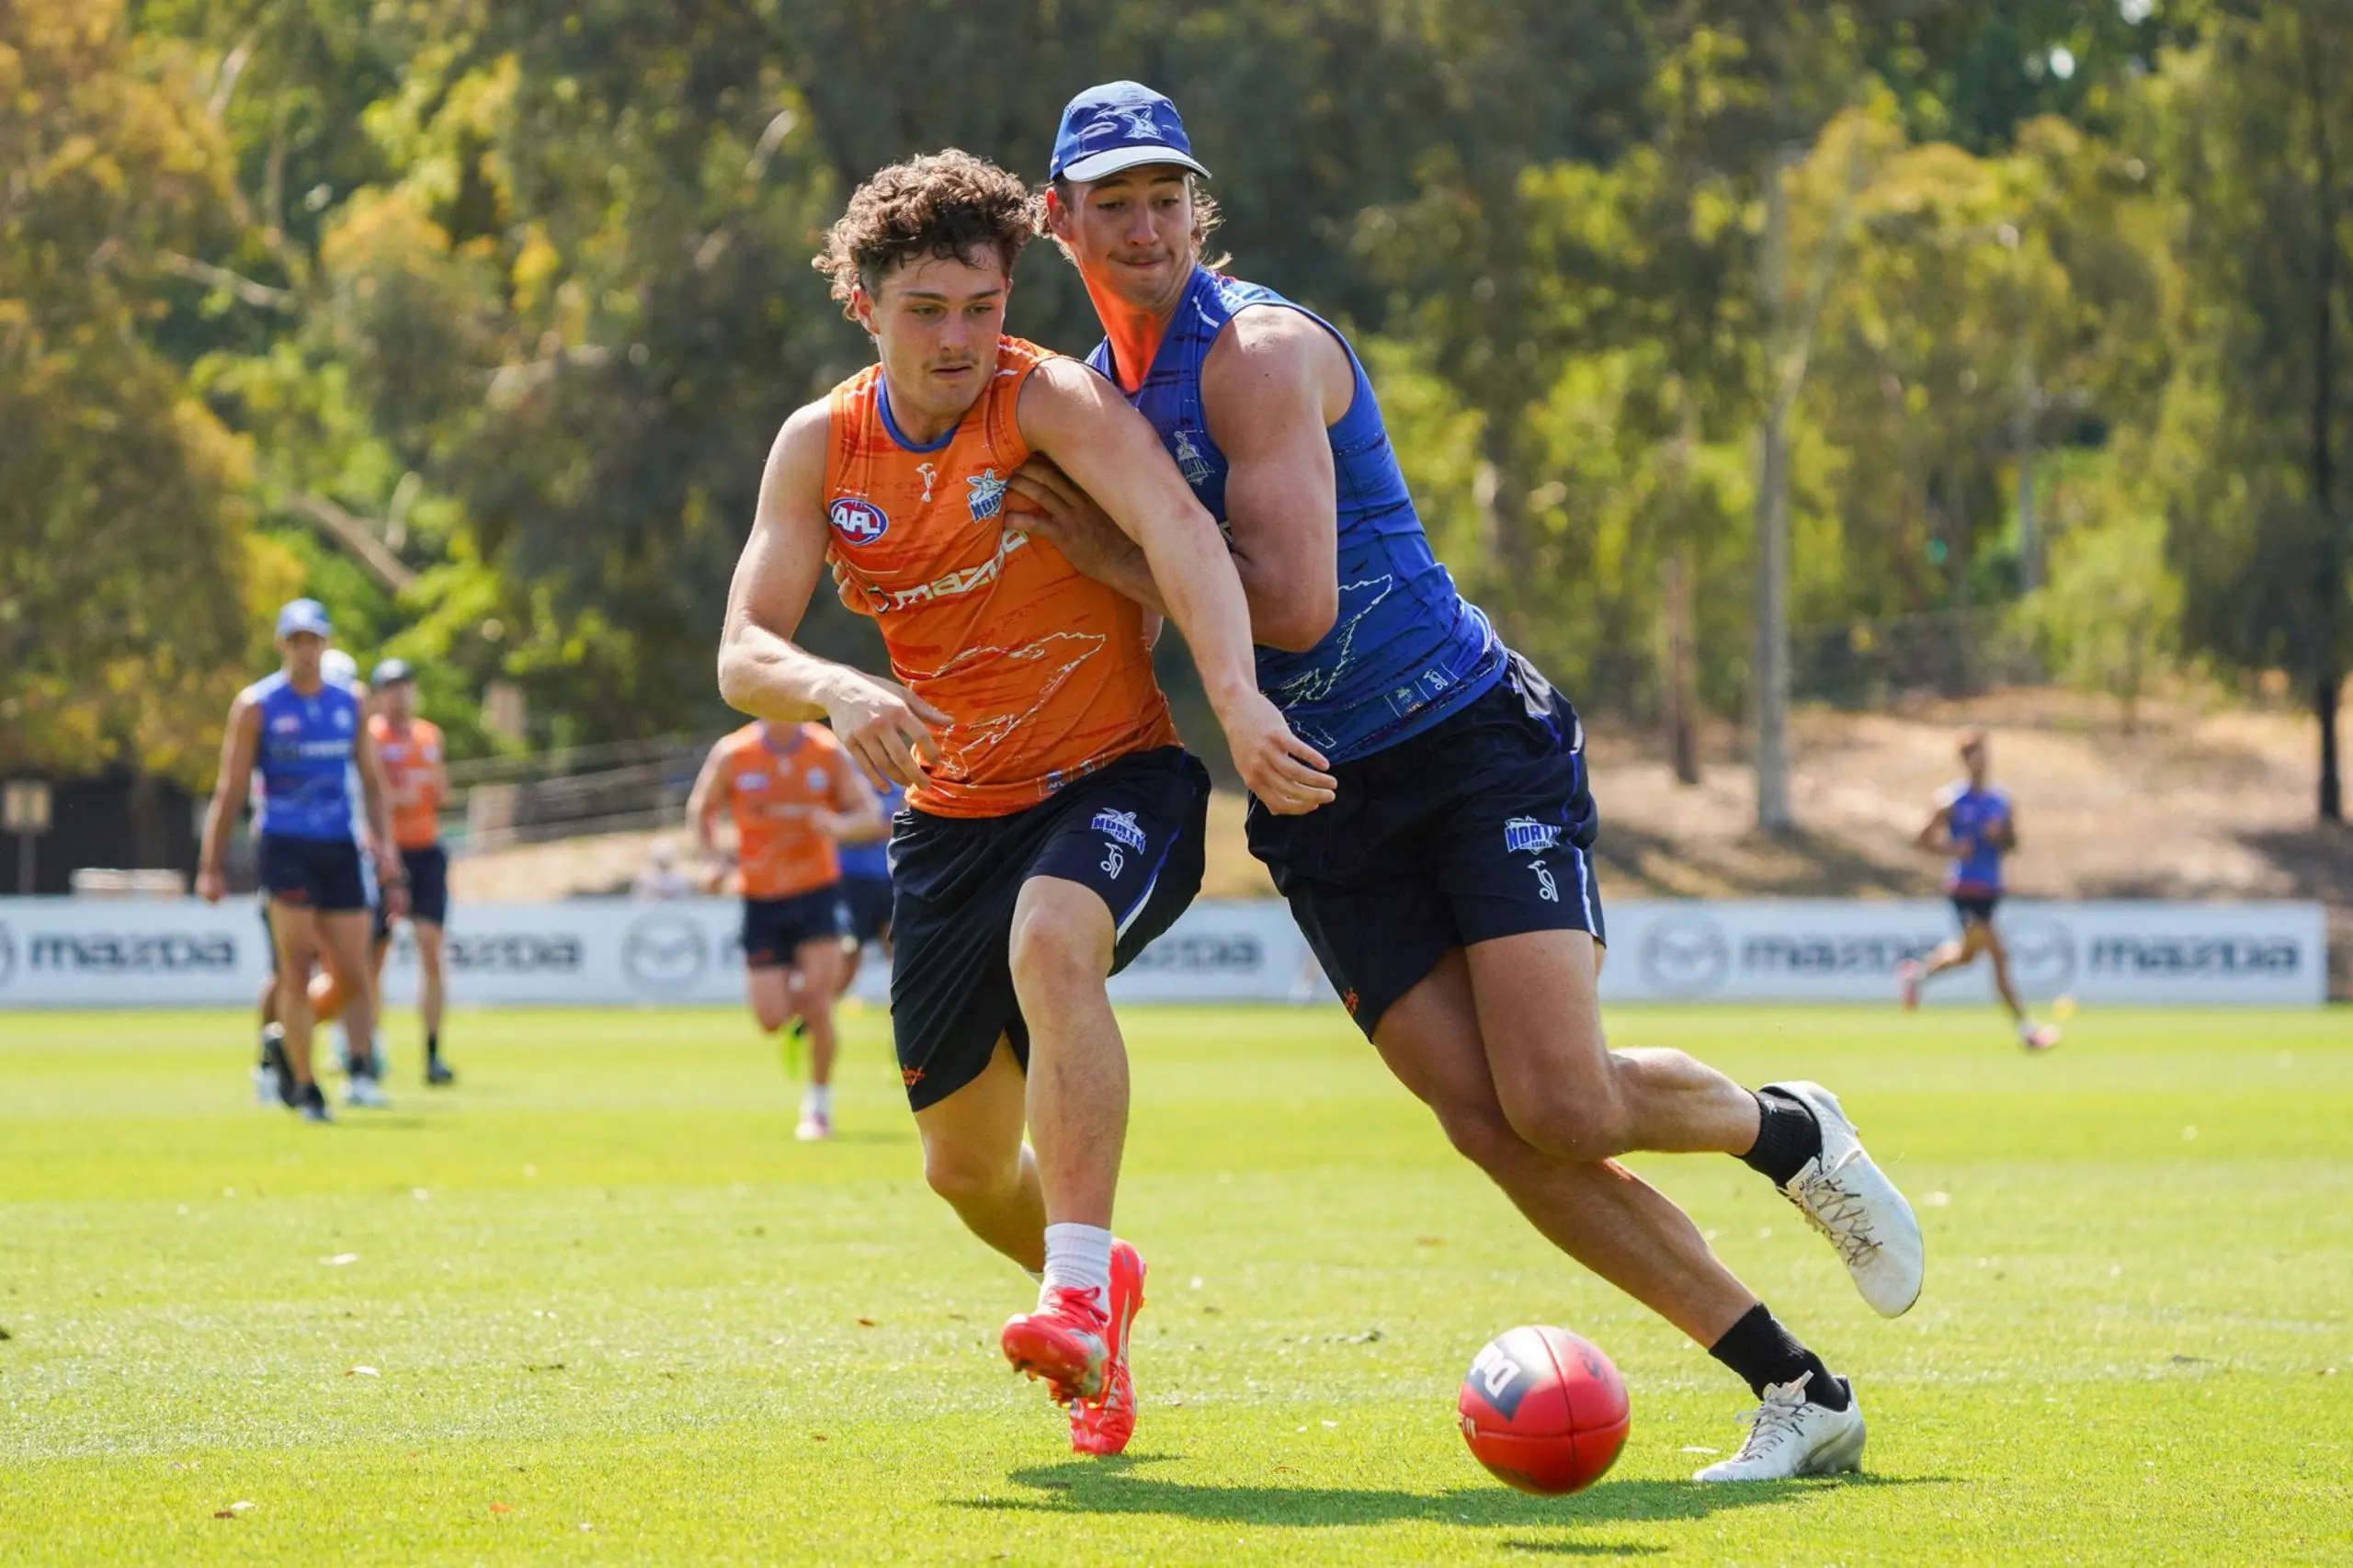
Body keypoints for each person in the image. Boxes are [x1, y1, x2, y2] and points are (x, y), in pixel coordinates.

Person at [1007, 82, 1924, 1483]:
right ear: (1058, 220)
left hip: (1463, 740)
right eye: (1111, 203)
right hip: (1321, 798)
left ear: (1201, 205)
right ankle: (1800, 1390)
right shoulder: (1098, 393)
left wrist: (1117, 558)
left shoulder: (1251, 352)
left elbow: (1298, 607)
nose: (1144, 226)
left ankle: (1785, 1125)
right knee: (1491, 1128)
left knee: (1563, 1098)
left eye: (1165, 197)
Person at [715, 149, 1331, 1457]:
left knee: (1056, 942)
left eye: (982, 306)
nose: (958, 338)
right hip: (947, 822)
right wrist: (836, 686)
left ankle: (1072, 1281)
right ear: (864, 303)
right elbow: (742, 649)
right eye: (926, 309)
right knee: (964, 1170)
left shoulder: (1045, 400)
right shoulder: (821, 445)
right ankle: (1098, 1295)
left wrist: (1237, 697)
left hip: (1116, 775)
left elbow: (1177, 529)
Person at [198, 599, 404, 1123]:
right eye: (296, 640)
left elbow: (373, 786)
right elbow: (231, 789)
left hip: (339, 846)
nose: (306, 650)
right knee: (295, 966)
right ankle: (307, 1086)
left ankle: (286, 1044)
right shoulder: (257, 706)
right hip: (285, 844)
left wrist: (385, 849)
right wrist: (211, 864)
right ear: (282, 644)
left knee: (355, 973)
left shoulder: (351, 702)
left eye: (314, 640)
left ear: (326, 644)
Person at [688, 720, 880, 1140]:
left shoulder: (825, 750)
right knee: (771, 1018)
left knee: (819, 999)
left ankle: (818, 1108)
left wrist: (838, 827)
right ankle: (797, 1010)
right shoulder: (733, 752)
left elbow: (868, 814)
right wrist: (713, 862)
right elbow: (701, 808)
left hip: (817, 892)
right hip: (760, 896)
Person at [1897, 731, 2061, 1051]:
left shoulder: (2001, 800)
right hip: (1965, 888)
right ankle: (2027, 1030)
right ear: (1965, 760)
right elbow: (1921, 840)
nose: (1982, 760)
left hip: (1991, 888)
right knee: (1999, 955)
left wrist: (2000, 836)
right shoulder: (1951, 800)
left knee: (1966, 956)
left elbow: (2014, 844)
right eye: (1976, 754)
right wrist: (1952, 850)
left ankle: (1915, 974)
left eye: (1985, 753)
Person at [360, 660, 458, 1085]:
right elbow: (377, 795)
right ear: (379, 694)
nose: (401, 696)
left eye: (406, 687)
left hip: (426, 851)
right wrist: (399, 797)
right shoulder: (371, 737)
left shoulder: (429, 735)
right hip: (383, 853)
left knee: (431, 949)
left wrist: (414, 792)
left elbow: (440, 792)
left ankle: (433, 1054)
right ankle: (369, 1048)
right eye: (392, 688)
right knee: (372, 959)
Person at [836, 777, 903, 991]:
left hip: (890, 879)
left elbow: (904, 827)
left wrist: (861, 828)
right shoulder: (847, 774)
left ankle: (901, 1016)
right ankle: (813, 1014)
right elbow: (834, 828)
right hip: (851, 881)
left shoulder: (899, 778)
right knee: (850, 951)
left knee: (898, 950)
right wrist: (878, 828)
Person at [631, 839, 700, 901]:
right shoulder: (645, 880)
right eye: (661, 859)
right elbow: (640, 901)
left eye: (664, 859)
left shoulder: (680, 881)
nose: (663, 862)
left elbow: (685, 901)